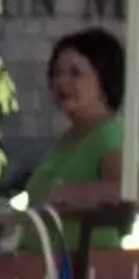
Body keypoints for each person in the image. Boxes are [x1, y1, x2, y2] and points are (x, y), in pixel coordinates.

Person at [20, 27, 129, 250]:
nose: (62, 82)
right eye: (57, 73)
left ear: (103, 79)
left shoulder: (110, 136)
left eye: (75, 73)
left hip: (87, 271)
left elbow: (126, 192)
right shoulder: (69, 139)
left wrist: (66, 195)